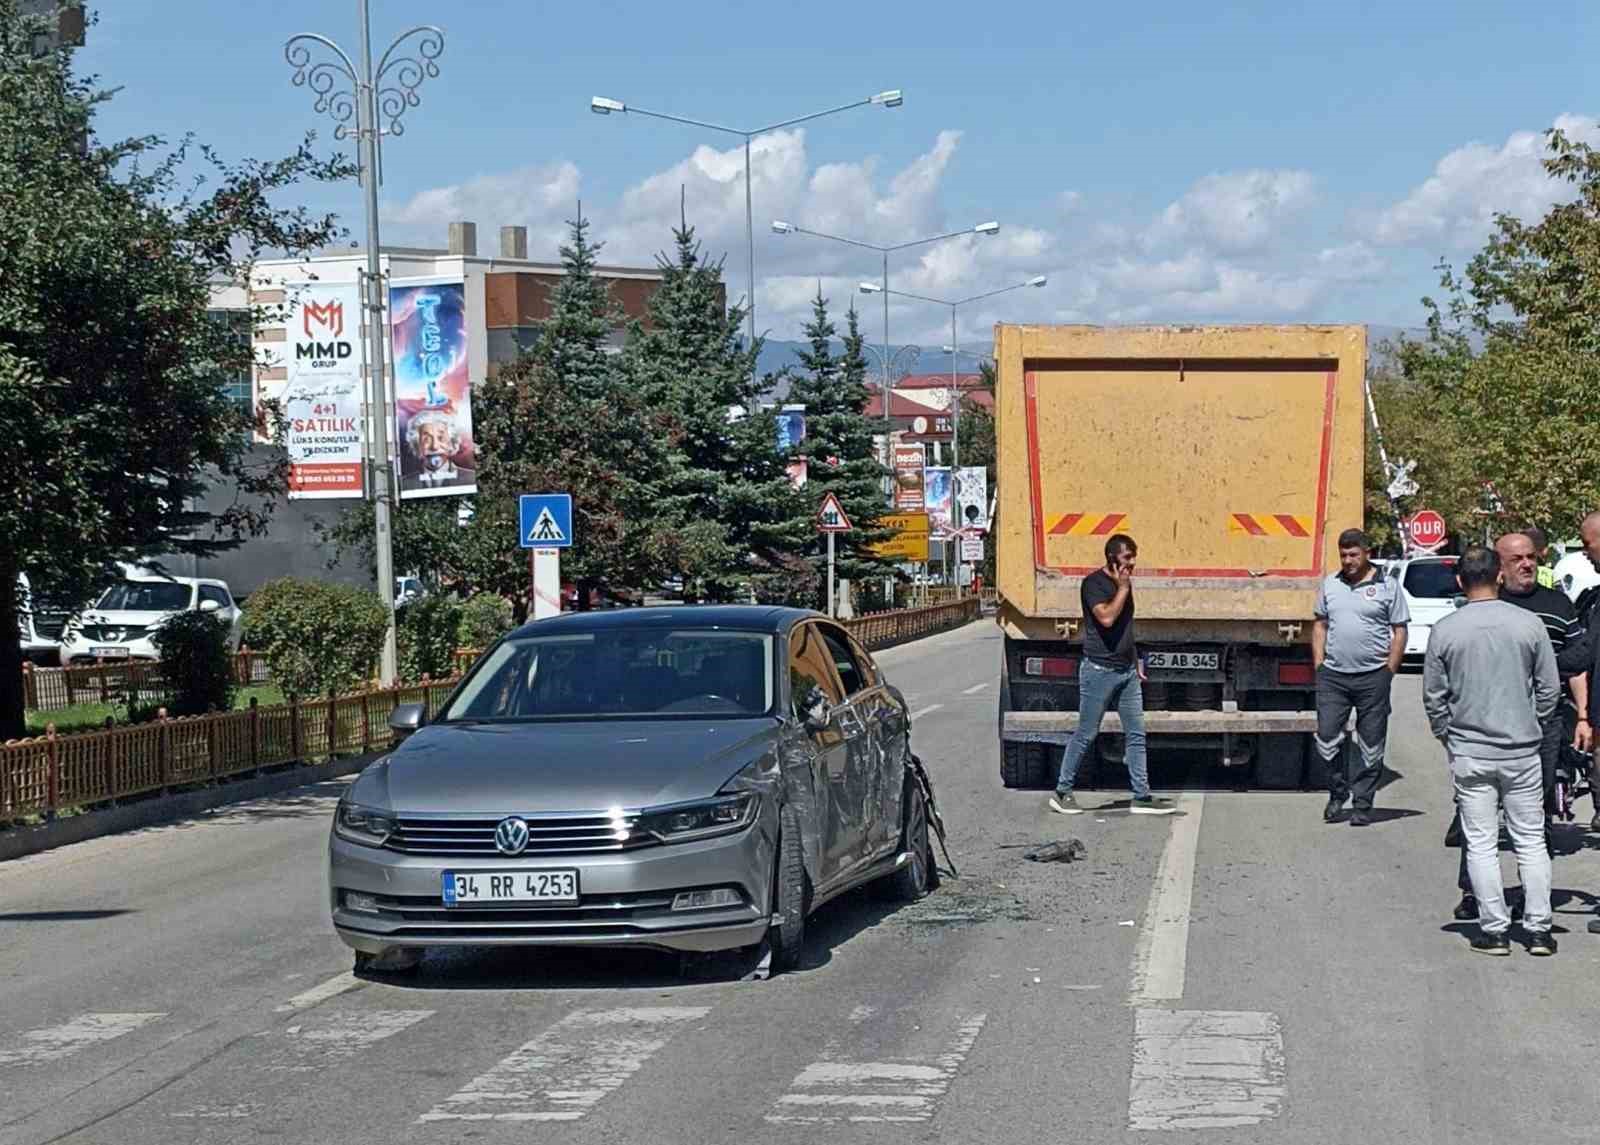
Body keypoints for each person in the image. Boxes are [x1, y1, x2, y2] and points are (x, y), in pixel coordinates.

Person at [1424, 545, 1558, 956]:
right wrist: (1531, 723)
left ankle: (1495, 929)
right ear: (1499, 576)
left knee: (1480, 842)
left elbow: (1434, 696)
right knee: (1531, 839)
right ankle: (1538, 930)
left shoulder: (1445, 630)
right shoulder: (1529, 624)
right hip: (1521, 750)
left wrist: (1448, 734)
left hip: (1470, 750)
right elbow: (1549, 688)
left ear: (1461, 582)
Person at [1448, 532, 1590, 919]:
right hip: (1482, 727)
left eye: (1531, 558)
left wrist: (1581, 716)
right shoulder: (1487, 606)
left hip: (1541, 728)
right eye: (1516, 560)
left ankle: (1533, 896)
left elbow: (1577, 666)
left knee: (1536, 817)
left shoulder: (1559, 605)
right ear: (1498, 567)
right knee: (1477, 820)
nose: (1526, 565)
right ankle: (1474, 893)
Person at [1048, 533, 1176, 816]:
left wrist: (1136, 660)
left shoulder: (1124, 586)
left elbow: (1125, 628)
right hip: (1099, 671)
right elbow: (1106, 618)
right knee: (1086, 732)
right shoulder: (1093, 584)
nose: (1132, 563)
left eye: (1133, 557)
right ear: (1111, 558)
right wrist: (1121, 589)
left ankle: (1142, 796)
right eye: (1127, 557)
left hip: (1126, 672)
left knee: (1136, 733)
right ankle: (1062, 792)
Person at [1312, 528, 1409, 826]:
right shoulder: (1330, 584)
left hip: (1372, 679)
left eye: (1354, 554)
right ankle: (1337, 793)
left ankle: (1363, 803)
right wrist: (1320, 665)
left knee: (1370, 743)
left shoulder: (1388, 586)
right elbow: (1320, 625)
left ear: (1367, 553)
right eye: (1343, 555)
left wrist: (1389, 670)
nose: (1348, 560)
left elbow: (1400, 630)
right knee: (1327, 738)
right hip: (1334, 677)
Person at [403, 406, 476, 492]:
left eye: (441, 438)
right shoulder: (406, 484)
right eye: (427, 439)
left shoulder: (470, 479)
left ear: (451, 443)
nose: (435, 446)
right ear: (417, 444)